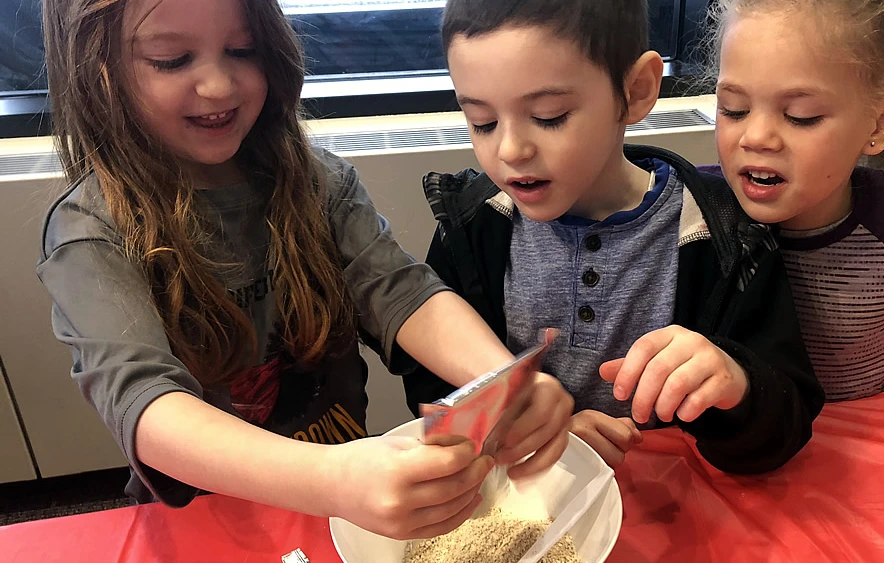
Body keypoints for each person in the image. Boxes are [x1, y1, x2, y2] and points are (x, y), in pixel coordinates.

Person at [37, 0, 572, 540]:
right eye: (172, 59)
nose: (220, 85)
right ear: (97, 72)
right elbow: (146, 404)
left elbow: (402, 292)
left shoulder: (317, 181)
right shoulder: (92, 231)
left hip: (342, 502)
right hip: (209, 519)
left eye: (243, 50)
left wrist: (504, 379)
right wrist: (333, 479)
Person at [403, 0, 824, 472]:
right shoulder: (473, 225)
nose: (510, 150)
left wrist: (735, 383)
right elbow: (430, 393)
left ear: (636, 90)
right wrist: (530, 433)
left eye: (549, 116)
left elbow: (785, 422)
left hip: (672, 505)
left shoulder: (719, 233)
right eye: (482, 122)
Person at [706, 0, 884, 400]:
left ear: (880, 122)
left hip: (864, 454)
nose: (755, 137)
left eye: (801, 116)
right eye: (734, 110)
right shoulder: (691, 210)